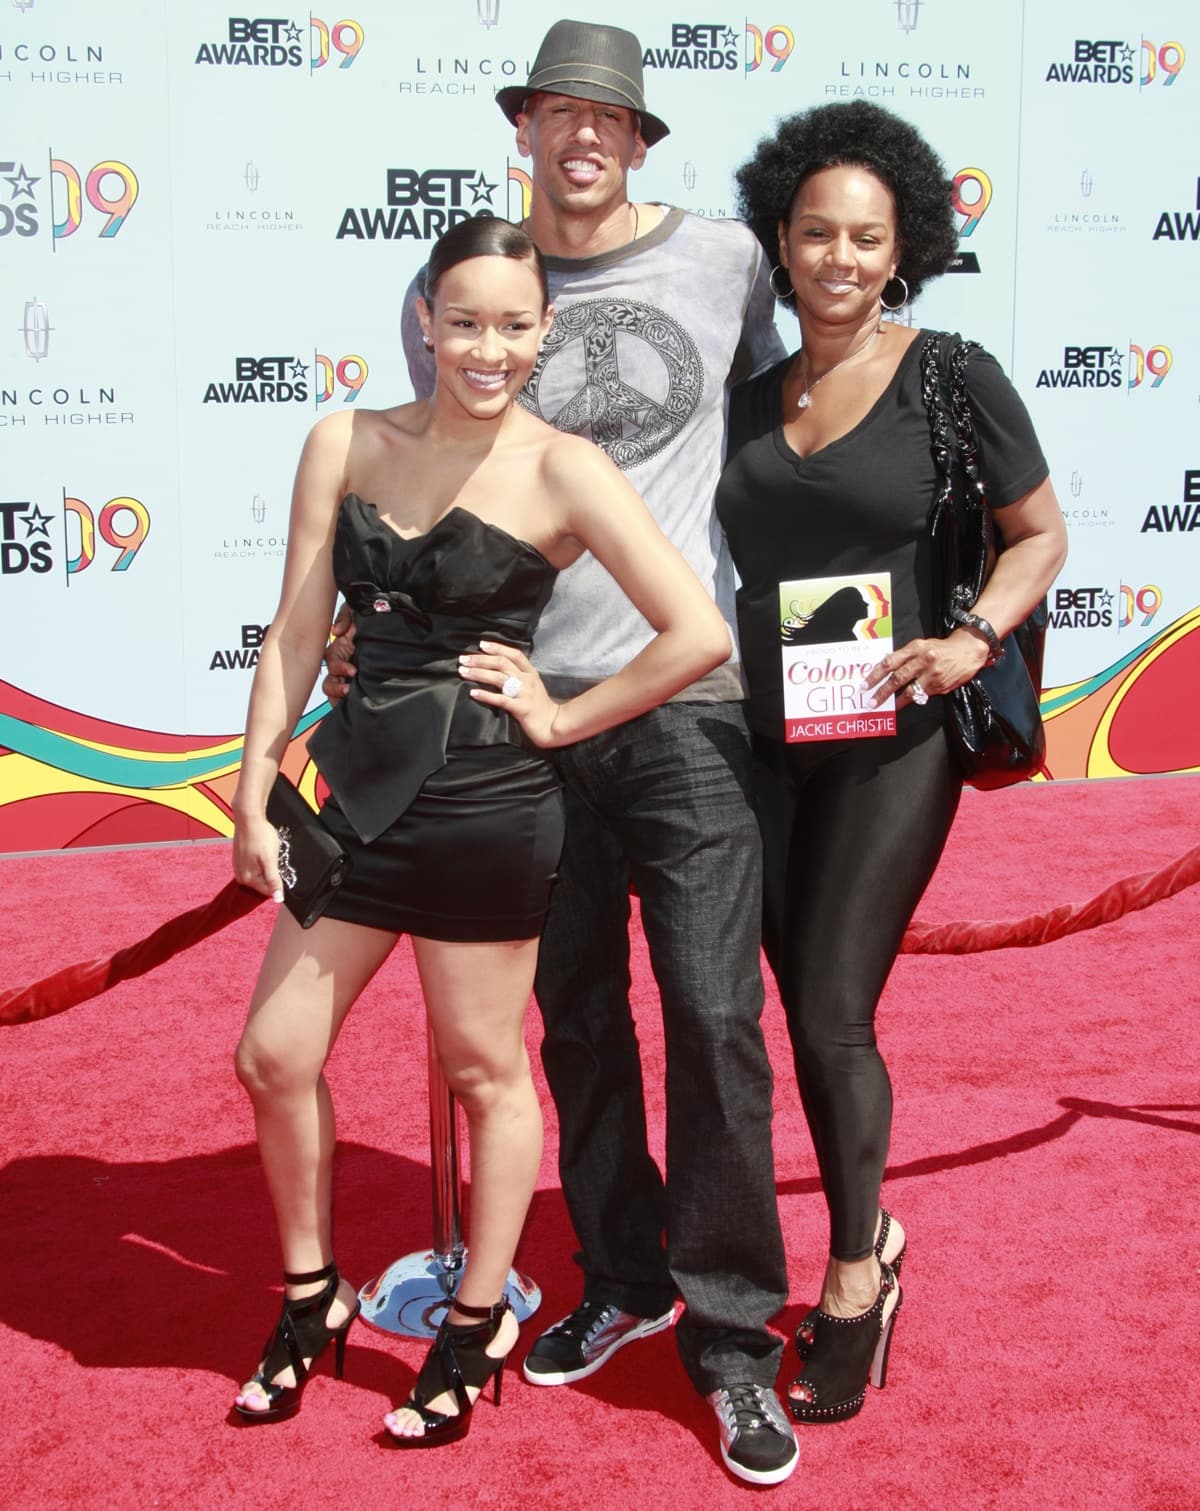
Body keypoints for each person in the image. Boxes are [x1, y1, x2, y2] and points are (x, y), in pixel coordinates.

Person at [325, 20, 800, 1486]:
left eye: (610, 115)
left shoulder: (727, 263)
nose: (581, 135)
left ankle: (732, 1339)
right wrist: (371, 623)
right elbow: (415, 470)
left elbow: (785, 435)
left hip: (679, 704)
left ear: (642, 140)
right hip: (506, 719)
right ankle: (623, 1269)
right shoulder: (477, 277)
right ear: (520, 129)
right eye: (555, 112)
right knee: (578, 1020)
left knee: (715, 1013)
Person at [230, 214, 731, 1448]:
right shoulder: (341, 439)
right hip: (350, 793)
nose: (488, 346)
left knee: (483, 1070)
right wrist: (252, 786)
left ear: (546, 331)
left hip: (489, 808)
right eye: (465, 320)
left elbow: (697, 633)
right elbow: (298, 632)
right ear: (425, 318)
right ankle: (309, 1298)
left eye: (515, 323)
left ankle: (473, 1319)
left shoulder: (567, 468)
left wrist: (564, 715)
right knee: (273, 1053)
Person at [716, 100, 1068, 1424]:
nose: (843, 258)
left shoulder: (949, 374)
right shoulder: (748, 397)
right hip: (763, 736)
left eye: (869, 236)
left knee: (829, 1008)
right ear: (784, 242)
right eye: (819, 233)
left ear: (904, 242)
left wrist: (971, 637)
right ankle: (857, 1234)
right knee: (781, 1003)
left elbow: (1039, 535)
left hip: (894, 733)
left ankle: (857, 1272)